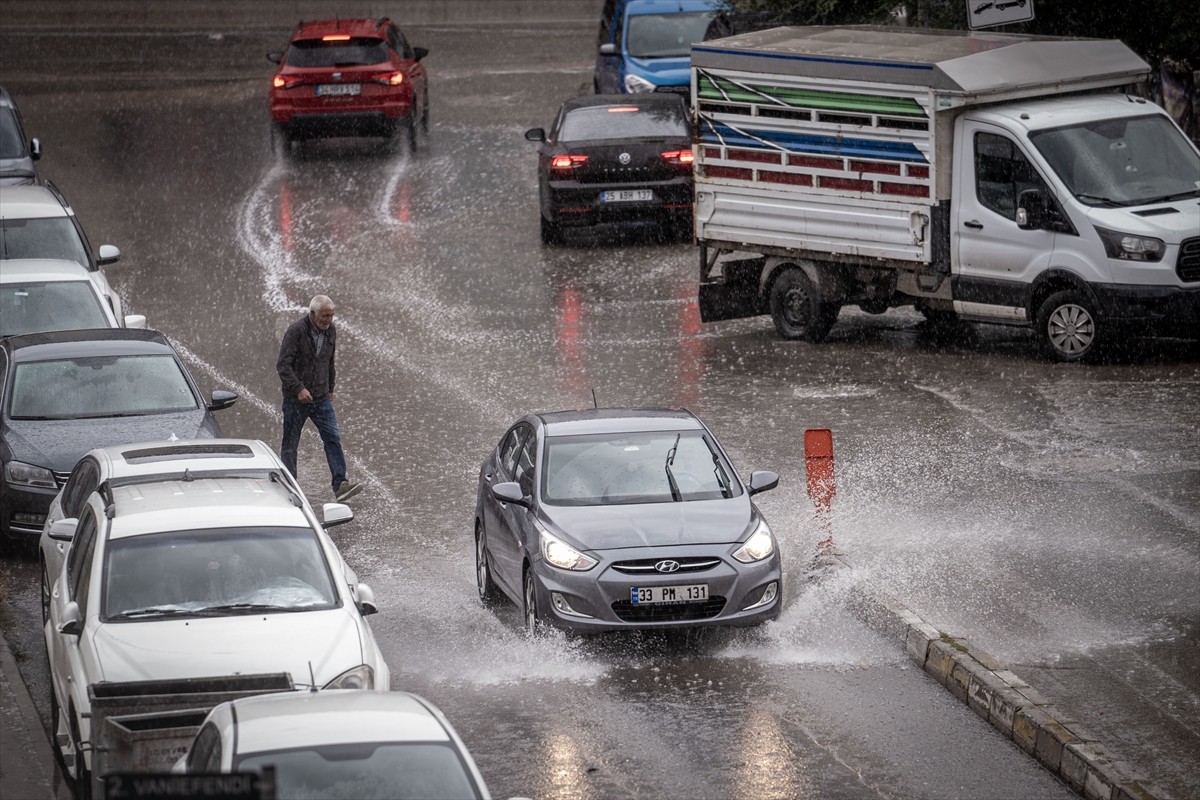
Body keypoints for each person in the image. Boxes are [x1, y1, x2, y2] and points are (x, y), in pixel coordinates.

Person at [276, 295, 362, 501]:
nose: (328, 320)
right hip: (296, 401)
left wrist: (330, 387)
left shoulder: (331, 331)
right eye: (324, 315)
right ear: (313, 314)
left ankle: (340, 484)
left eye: (331, 315)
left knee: (333, 438)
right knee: (290, 444)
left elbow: (329, 361)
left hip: (322, 398)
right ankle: (290, 485)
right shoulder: (296, 331)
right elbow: (283, 366)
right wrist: (299, 388)